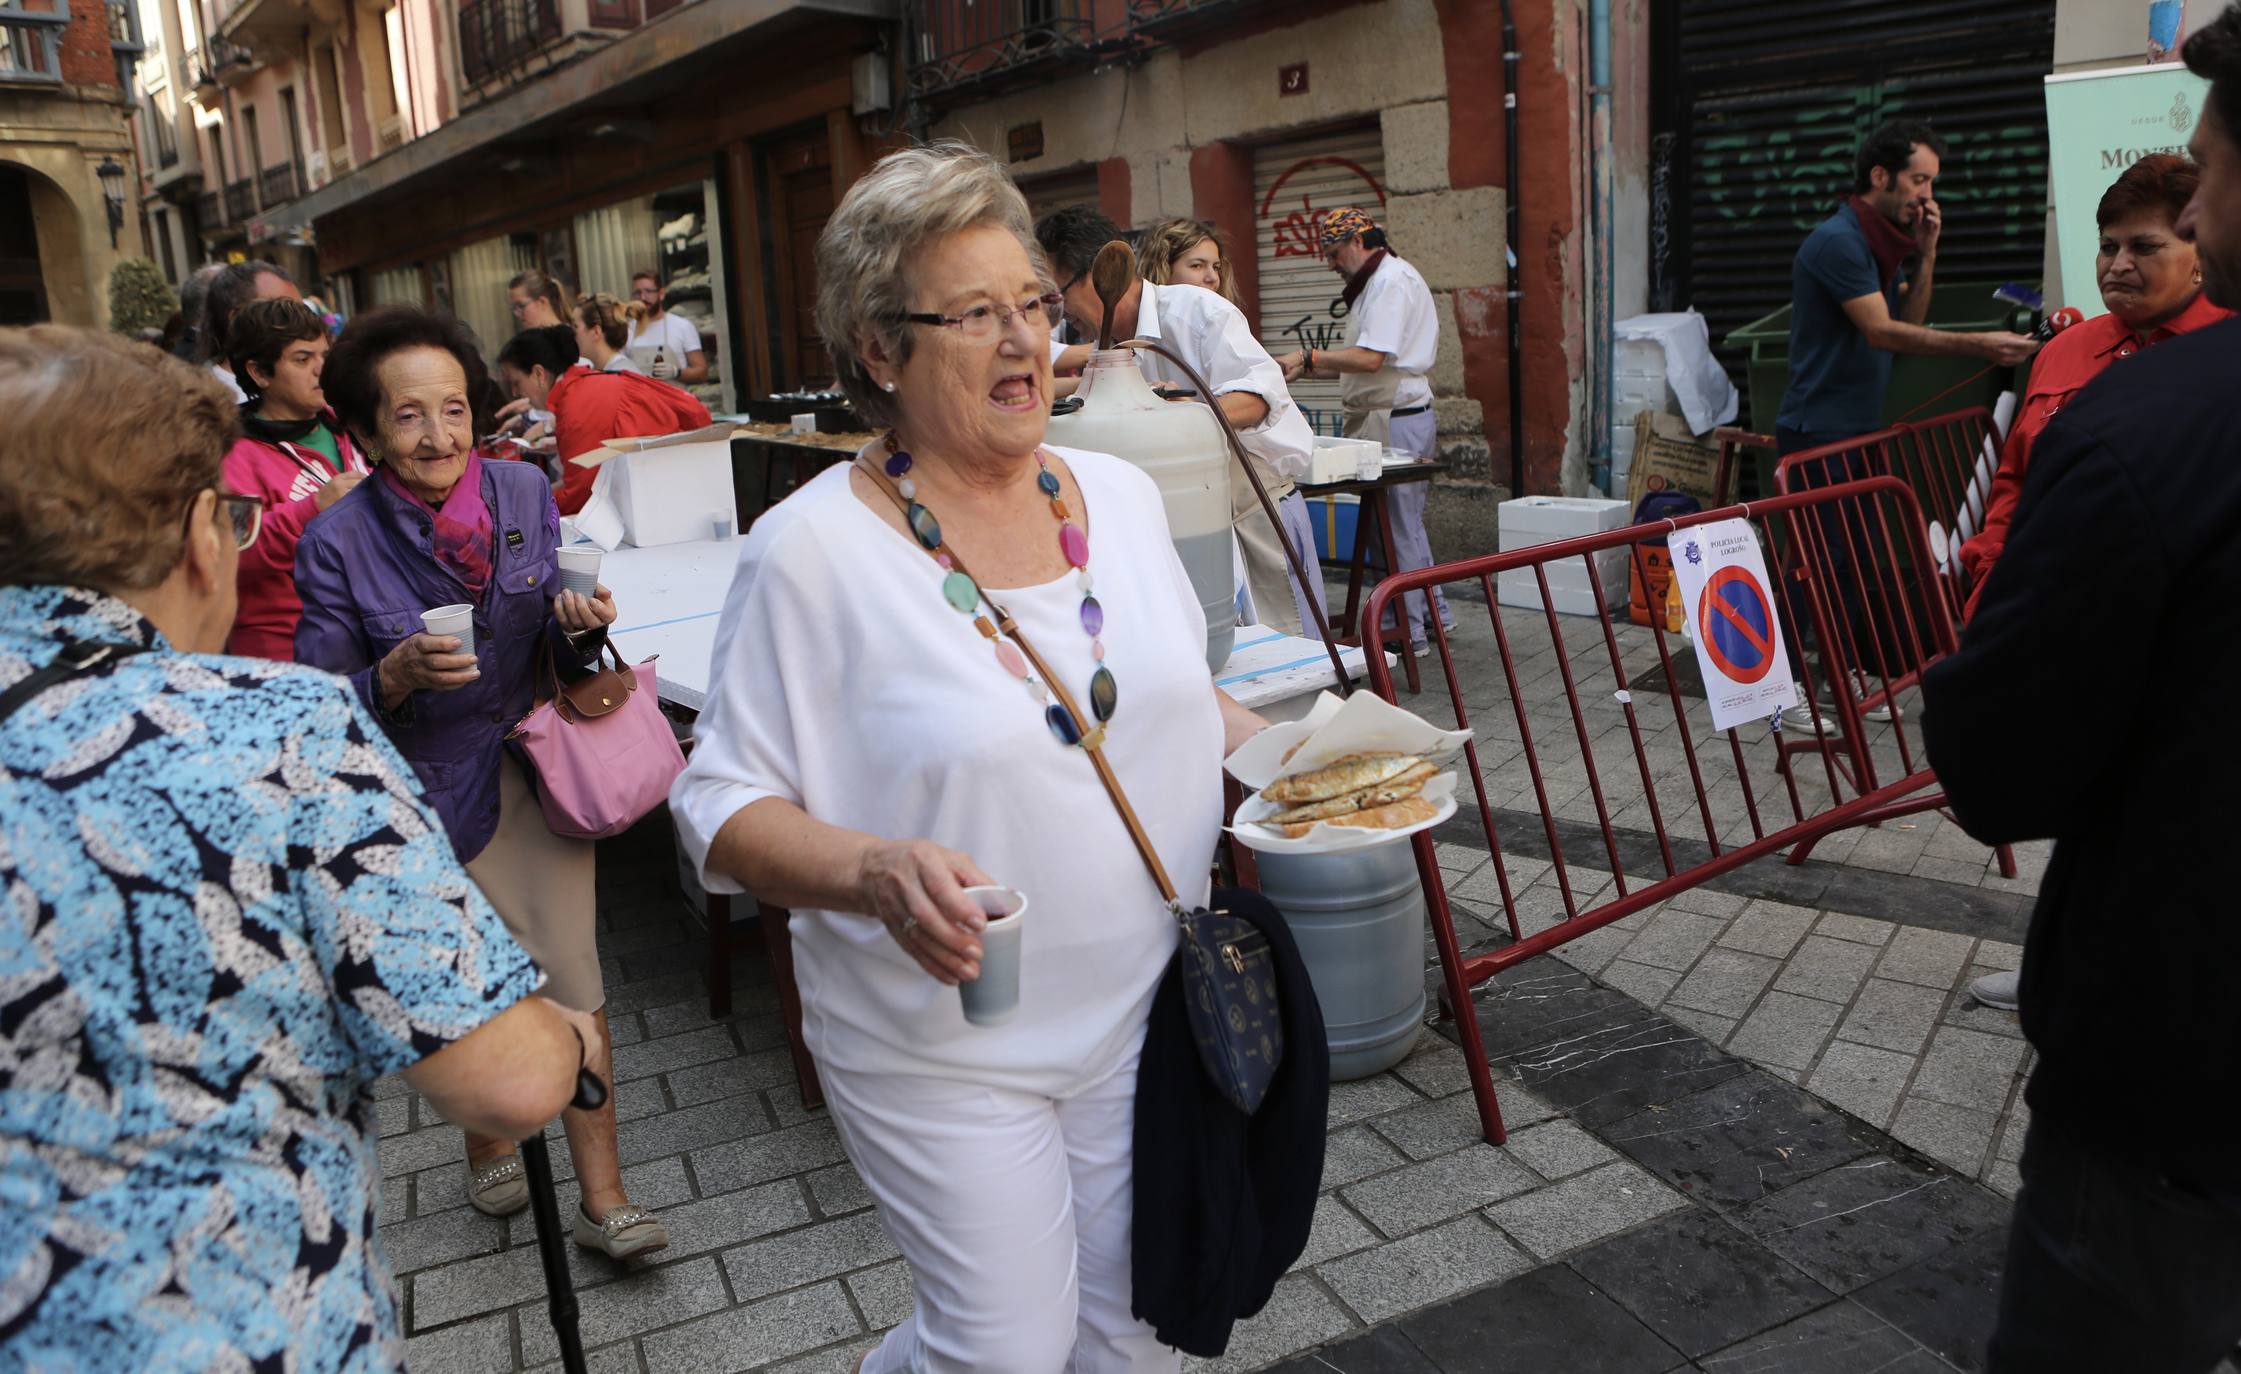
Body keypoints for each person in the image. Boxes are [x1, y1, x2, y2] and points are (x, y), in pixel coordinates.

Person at [671, 142, 1273, 1373]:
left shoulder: (1117, 490)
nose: (1024, 343)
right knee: (1001, 1349)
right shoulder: (812, 552)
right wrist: (873, 870)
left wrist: (1325, 768)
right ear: (881, 352)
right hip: (939, 1037)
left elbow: (1173, 698)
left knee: (1137, 1337)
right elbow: (719, 806)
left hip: (1142, 1003)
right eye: (977, 315)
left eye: (1035, 307)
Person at [0, 325, 597, 1368]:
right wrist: (566, 1041)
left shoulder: (516, 500)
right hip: (232, 1319)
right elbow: (502, 1076)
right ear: (197, 535)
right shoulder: (268, 730)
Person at [1922, 12, 2241, 1370]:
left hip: (2181, 1064)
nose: (2197, 215)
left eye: (2209, 176)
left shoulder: (2161, 425)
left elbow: (1999, 769)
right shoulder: (2074, 375)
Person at [293, 307, 670, 1259]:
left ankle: (605, 1198)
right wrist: (394, 676)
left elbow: (550, 625)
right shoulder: (336, 542)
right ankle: (488, 1135)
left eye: (454, 410)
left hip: (530, 769)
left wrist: (579, 622)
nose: (439, 436)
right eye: (409, 416)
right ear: (371, 431)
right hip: (419, 795)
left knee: (574, 979)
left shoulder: (520, 490)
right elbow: (318, 704)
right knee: (470, 986)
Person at [1956, 153, 2232, 632]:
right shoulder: (2063, 351)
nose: (2118, 265)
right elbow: (2016, 483)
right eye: (2108, 246)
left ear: (2203, 258)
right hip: (2043, 622)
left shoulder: (2226, 350)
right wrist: (1992, 587)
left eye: (2144, 247)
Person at [1036, 206, 1322, 639]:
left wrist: (1177, 415)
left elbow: (1261, 398)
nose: (1058, 314)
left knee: (1286, 660)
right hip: (1188, 521)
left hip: (1254, 511)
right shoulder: (1104, 344)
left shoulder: (1195, 311)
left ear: (1100, 273)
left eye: (1056, 296)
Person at [1274, 207, 1450, 651]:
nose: (1331, 265)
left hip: (1395, 417)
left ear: (1358, 242)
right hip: (1386, 413)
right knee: (1403, 524)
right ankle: (1434, 614)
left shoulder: (1390, 281)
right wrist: (1308, 367)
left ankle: (1408, 634)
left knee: (1395, 528)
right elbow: (1365, 360)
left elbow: (1371, 358)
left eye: (1333, 254)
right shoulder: (1378, 281)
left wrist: (1308, 358)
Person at [220, 296, 372, 659]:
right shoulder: (232, 452)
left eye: (324, 355)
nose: (322, 369)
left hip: (369, 637)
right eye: (303, 359)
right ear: (259, 373)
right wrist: (312, 509)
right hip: (287, 652)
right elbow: (229, 554)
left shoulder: (349, 424)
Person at [495, 324, 712, 516]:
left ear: (539, 374)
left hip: (676, 495)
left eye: (516, 382)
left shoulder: (578, 402)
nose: (515, 392)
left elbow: (580, 494)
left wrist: (522, 509)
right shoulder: (581, 388)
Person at [200, 259, 303, 403]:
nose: (303, 323)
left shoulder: (313, 386)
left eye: (303, 311)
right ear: (237, 320)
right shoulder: (210, 403)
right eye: (282, 313)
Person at [626, 268, 709, 384]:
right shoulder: (627, 330)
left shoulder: (682, 326)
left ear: (661, 294)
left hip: (673, 400)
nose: (643, 298)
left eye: (648, 291)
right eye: (637, 293)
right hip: (640, 400)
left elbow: (702, 373)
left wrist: (677, 372)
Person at [574, 291, 647, 374]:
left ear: (596, 332)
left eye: (576, 326)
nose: (572, 333)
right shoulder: (607, 370)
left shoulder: (620, 374)